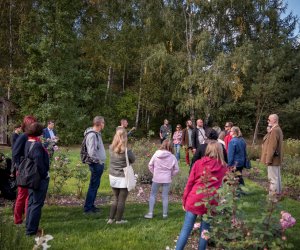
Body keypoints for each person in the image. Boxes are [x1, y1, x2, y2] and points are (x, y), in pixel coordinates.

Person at [176, 141, 228, 250]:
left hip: (195, 198)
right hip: (211, 201)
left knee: (186, 229)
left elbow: (189, 183)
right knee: (205, 232)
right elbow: (225, 185)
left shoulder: (198, 163)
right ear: (220, 151)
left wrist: (184, 200)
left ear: (208, 150)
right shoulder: (223, 167)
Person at [24, 122, 50, 236]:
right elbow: (39, 163)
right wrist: (45, 175)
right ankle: (31, 230)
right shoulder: (37, 145)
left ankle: (29, 226)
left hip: (30, 176)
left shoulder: (28, 142)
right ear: (40, 132)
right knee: (37, 203)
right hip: (38, 177)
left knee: (31, 201)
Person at [144, 139, 179, 219]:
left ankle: (150, 213)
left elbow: (150, 165)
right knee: (165, 196)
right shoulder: (172, 156)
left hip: (156, 178)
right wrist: (171, 175)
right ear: (171, 146)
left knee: (153, 195)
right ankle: (165, 214)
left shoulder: (156, 154)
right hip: (167, 178)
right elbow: (176, 169)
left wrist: (154, 173)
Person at [12, 115, 37, 224]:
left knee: (29, 196)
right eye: (33, 124)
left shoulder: (32, 136)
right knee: (22, 195)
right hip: (23, 170)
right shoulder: (23, 137)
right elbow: (15, 154)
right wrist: (20, 167)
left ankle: (28, 218)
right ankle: (17, 219)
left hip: (30, 170)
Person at [108, 128, 135, 224]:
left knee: (115, 198)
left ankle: (111, 219)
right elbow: (133, 160)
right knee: (121, 200)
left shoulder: (110, 147)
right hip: (123, 177)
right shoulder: (127, 151)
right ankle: (119, 220)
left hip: (113, 176)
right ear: (125, 138)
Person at [83, 116, 106, 214]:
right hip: (96, 164)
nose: (104, 124)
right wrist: (99, 161)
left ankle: (91, 206)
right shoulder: (92, 135)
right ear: (100, 123)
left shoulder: (97, 134)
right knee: (93, 186)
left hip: (98, 164)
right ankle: (88, 208)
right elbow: (91, 152)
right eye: (103, 123)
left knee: (95, 186)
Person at [261, 114, 283, 195]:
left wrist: (268, 159)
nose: (268, 121)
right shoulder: (276, 129)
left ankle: (272, 197)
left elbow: (272, 147)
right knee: (277, 177)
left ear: (274, 120)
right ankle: (278, 194)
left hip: (273, 159)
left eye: (269, 120)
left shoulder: (275, 130)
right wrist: (268, 132)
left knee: (273, 178)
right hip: (276, 158)